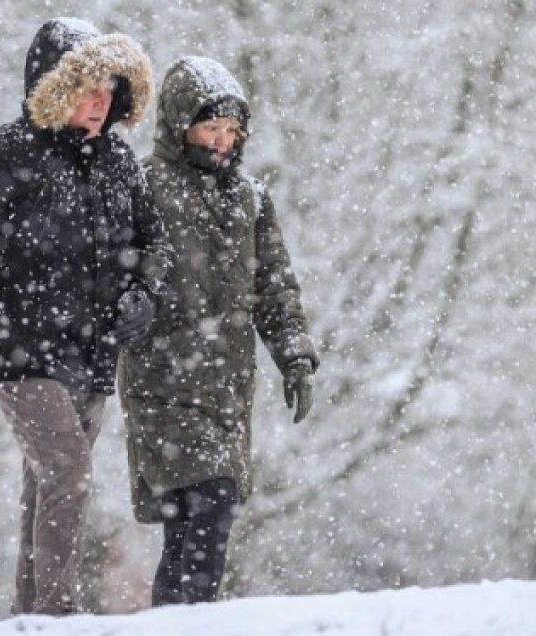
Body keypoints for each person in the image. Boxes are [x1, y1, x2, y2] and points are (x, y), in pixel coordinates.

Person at [0, 18, 172, 616]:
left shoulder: (120, 163)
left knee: (49, 481)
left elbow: (154, 244)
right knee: (68, 470)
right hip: (20, 345)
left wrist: (146, 294)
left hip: (93, 350)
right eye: (87, 87)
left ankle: (30, 616)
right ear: (54, 88)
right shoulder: (0, 155)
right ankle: (60, 614)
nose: (100, 102)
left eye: (111, 90)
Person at [118, 56, 320, 606]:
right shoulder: (144, 186)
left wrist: (294, 356)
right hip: (163, 381)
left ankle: (177, 620)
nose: (223, 141)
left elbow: (275, 286)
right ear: (180, 123)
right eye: (211, 127)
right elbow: (108, 272)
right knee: (211, 505)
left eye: (232, 130)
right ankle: (191, 621)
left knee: (192, 528)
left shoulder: (249, 198)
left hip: (227, 386)